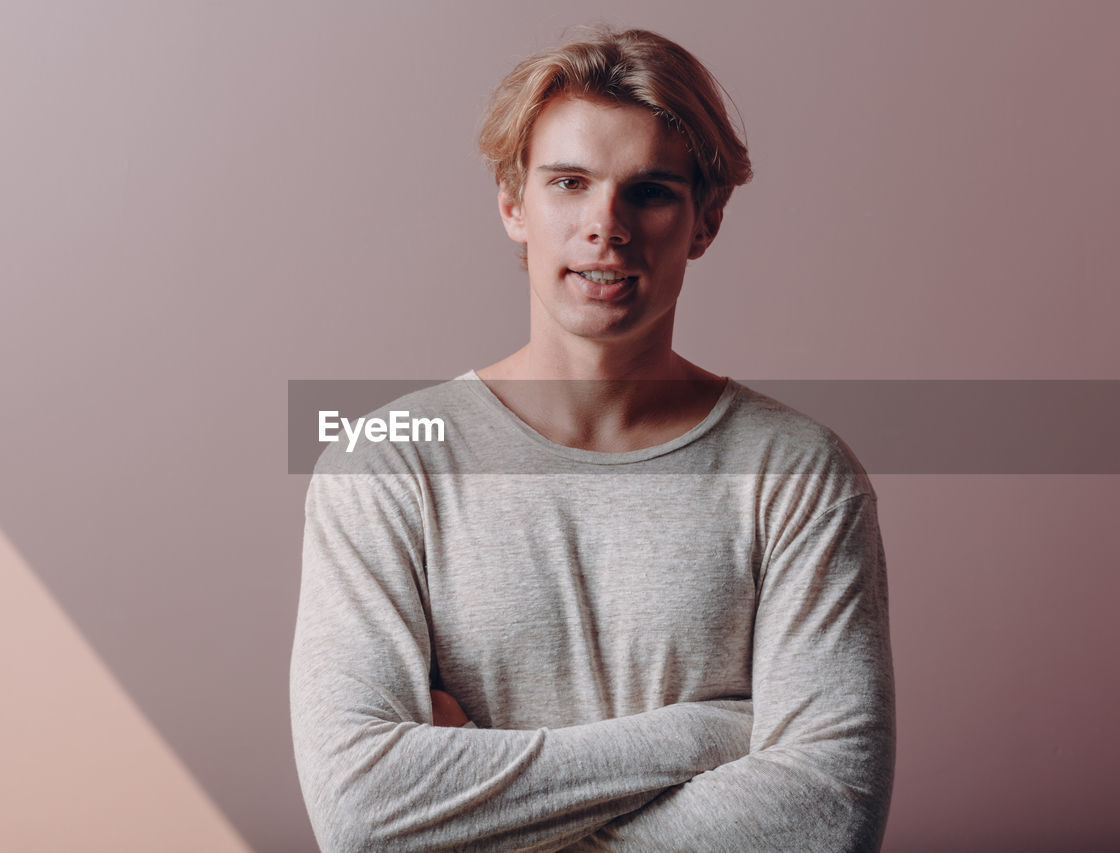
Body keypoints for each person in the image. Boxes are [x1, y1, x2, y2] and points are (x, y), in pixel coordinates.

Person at [291, 26, 894, 852]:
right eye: (569, 182)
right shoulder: (388, 464)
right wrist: (713, 734)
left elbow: (829, 817)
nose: (605, 225)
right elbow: (363, 816)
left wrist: (474, 813)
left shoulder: (796, 474)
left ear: (705, 220)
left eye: (648, 191)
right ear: (514, 204)